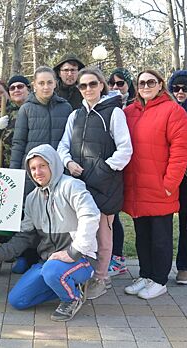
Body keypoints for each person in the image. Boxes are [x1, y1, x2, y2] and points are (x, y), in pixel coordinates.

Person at [0, 144, 100, 322]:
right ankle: (68, 284)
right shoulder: (32, 199)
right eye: (33, 168)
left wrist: (73, 251)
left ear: (53, 164)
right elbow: (24, 237)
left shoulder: (71, 186)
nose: (38, 172)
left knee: (53, 271)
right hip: (49, 262)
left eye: (42, 166)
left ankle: (72, 299)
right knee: (18, 300)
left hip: (80, 258)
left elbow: (90, 215)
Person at [57, 67, 132, 299]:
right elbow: (63, 146)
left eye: (92, 84)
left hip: (105, 184)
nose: (88, 89)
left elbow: (125, 149)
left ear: (101, 85)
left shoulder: (114, 113)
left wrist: (103, 169)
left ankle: (101, 277)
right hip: (79, 185)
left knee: (103, 234)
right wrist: (68, 163)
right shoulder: (75, 115)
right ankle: (83, 274)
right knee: (80, 233)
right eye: (83, 85)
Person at [122, 69, 187, 299]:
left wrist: (169, 183)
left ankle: (160, 279)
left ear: (160, 84)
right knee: (142, 235)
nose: (146, 86)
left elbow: (181, 151)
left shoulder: (173, 111)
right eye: (141, 83)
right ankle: (146, 275)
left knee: (160, 237)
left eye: (151, 82)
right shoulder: (129, 112)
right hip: (136, 186)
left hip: (160, 186)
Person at [0, 75, 39, 274]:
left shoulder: (35, 109)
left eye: (19, 87)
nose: (16, 91)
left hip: (31, 173)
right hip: (6, 173)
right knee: (2, 217)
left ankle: (25, 256)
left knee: (27, 217)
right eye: (12, 87)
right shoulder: (4, 114)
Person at [10, 66, 72, 197]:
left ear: (55, 83)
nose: (46, 87)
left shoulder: (66, 107)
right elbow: (18, 143)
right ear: (34, 85)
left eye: (49, 82)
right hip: (33, 172)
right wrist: (14, 173)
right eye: (41, 83)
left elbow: (70, 141)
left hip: (58, 169)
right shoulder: (26, 109)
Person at [167, 70, 187, 285]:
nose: (180, 92)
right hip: (167, 172)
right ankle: (160, 264)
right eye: (176, 88)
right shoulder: (166, 110)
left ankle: (185, 266)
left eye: (185, 88)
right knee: (163, 221)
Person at [107, 67, 136, 276]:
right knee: (111, 214)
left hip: (132, 165)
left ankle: (117, 257)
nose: (116, 87)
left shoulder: (134, 105)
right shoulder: (107, 105)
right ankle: (111, 257)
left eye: (121, 83)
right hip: (112, 168)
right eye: (113, 83)